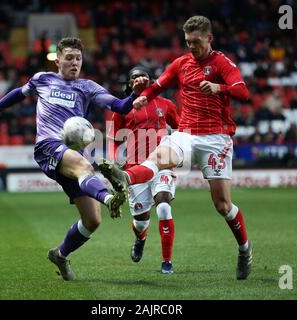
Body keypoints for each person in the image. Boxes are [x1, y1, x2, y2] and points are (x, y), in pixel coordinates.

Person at [0, 37, 148, 281]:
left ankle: (60, 254)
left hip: (73, 154)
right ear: (59, 60)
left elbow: (119, 106)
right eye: (70, 58)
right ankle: (111, 198)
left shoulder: (88, 87)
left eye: (78, 59)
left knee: (92, 221)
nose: (74, 63)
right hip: (48, 146)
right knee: (85, 166)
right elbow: (18, 94)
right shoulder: (43, 79)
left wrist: (132, 93)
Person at [99, 16, 253, 280]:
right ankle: (125, 176)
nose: (191, 46)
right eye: (187, 42)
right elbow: (158, 85)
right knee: (160, 157)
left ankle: (244, 250)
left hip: (216, 138)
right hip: (187, 132)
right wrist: (142, 98)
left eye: (196, 42)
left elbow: (243, 92)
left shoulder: (221, 63)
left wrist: (219, 87)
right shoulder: (181, 64)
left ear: (209, 38)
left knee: (223, 205)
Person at [107, 66, 180, 274]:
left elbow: (181, 128)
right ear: (130, 84)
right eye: (135, 77)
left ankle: (167, 262)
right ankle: (141, 238)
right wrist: (113, 162)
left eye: (144, 76)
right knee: (141, 221)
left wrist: (179, 149)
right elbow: (113, 138)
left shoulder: (166, 105)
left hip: (162, 164)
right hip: (135, 168)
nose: (140, 79)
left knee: (164, 207)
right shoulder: (122, 109)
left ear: (151, 80)